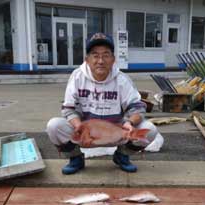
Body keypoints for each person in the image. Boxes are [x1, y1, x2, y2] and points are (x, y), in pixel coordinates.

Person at [46, 32, 158, 175]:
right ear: (87, 59)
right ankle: (75, 158)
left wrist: (129, 123)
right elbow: (68, 109)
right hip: (87, 134)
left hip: (117, 133)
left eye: (106, 55)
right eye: (95, 55)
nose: (100, 60)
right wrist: (79, 127)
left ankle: (122, 155)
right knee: (54, 126)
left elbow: (138, 107)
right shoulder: (77, 77)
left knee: (150, 130)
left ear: (113, 59)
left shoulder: (122, 79)